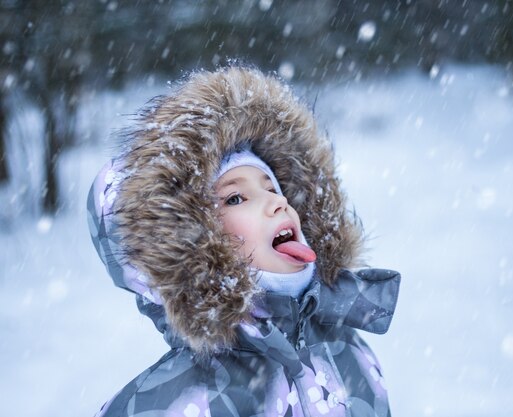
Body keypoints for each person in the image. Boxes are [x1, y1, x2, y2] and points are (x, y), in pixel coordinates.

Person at [87, 66, 400, 417]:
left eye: (272, 188)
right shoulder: (170, 403)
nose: (278, 202)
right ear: (196, 236)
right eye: (237, 198)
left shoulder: (349, 352)